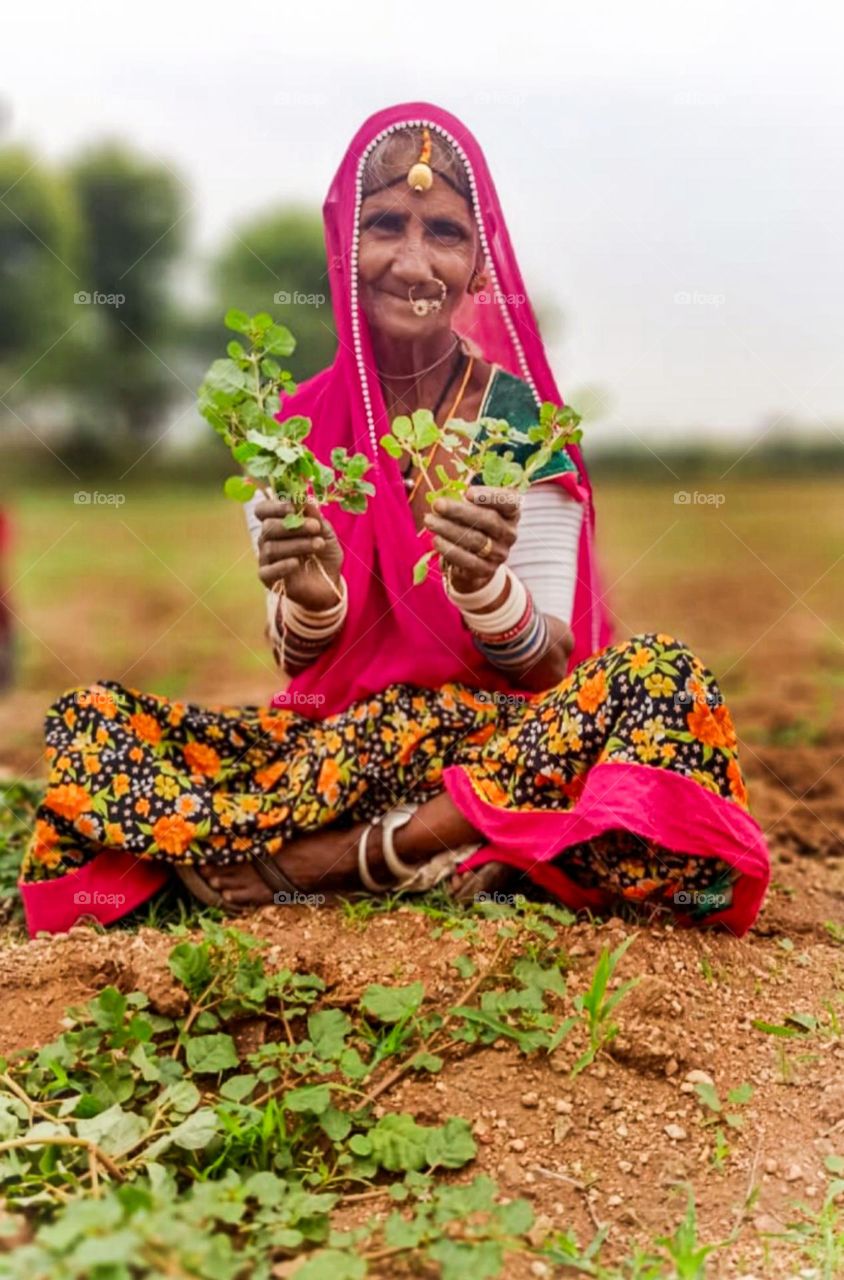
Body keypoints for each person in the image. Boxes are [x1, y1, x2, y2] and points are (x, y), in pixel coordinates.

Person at [18, 104, 769, 937]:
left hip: (502, 749)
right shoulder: (288, 427)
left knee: (656, 677)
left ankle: (336, 860)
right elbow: (297, 655)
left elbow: (550, 661)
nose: (413, 262)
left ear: (479, 264)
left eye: (444, 232)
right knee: (92, 721)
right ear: (345, 247)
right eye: (385, 225)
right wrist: (312, 598)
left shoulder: (519, 420)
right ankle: (454, 856)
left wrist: (486, 589)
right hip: (340, 755)